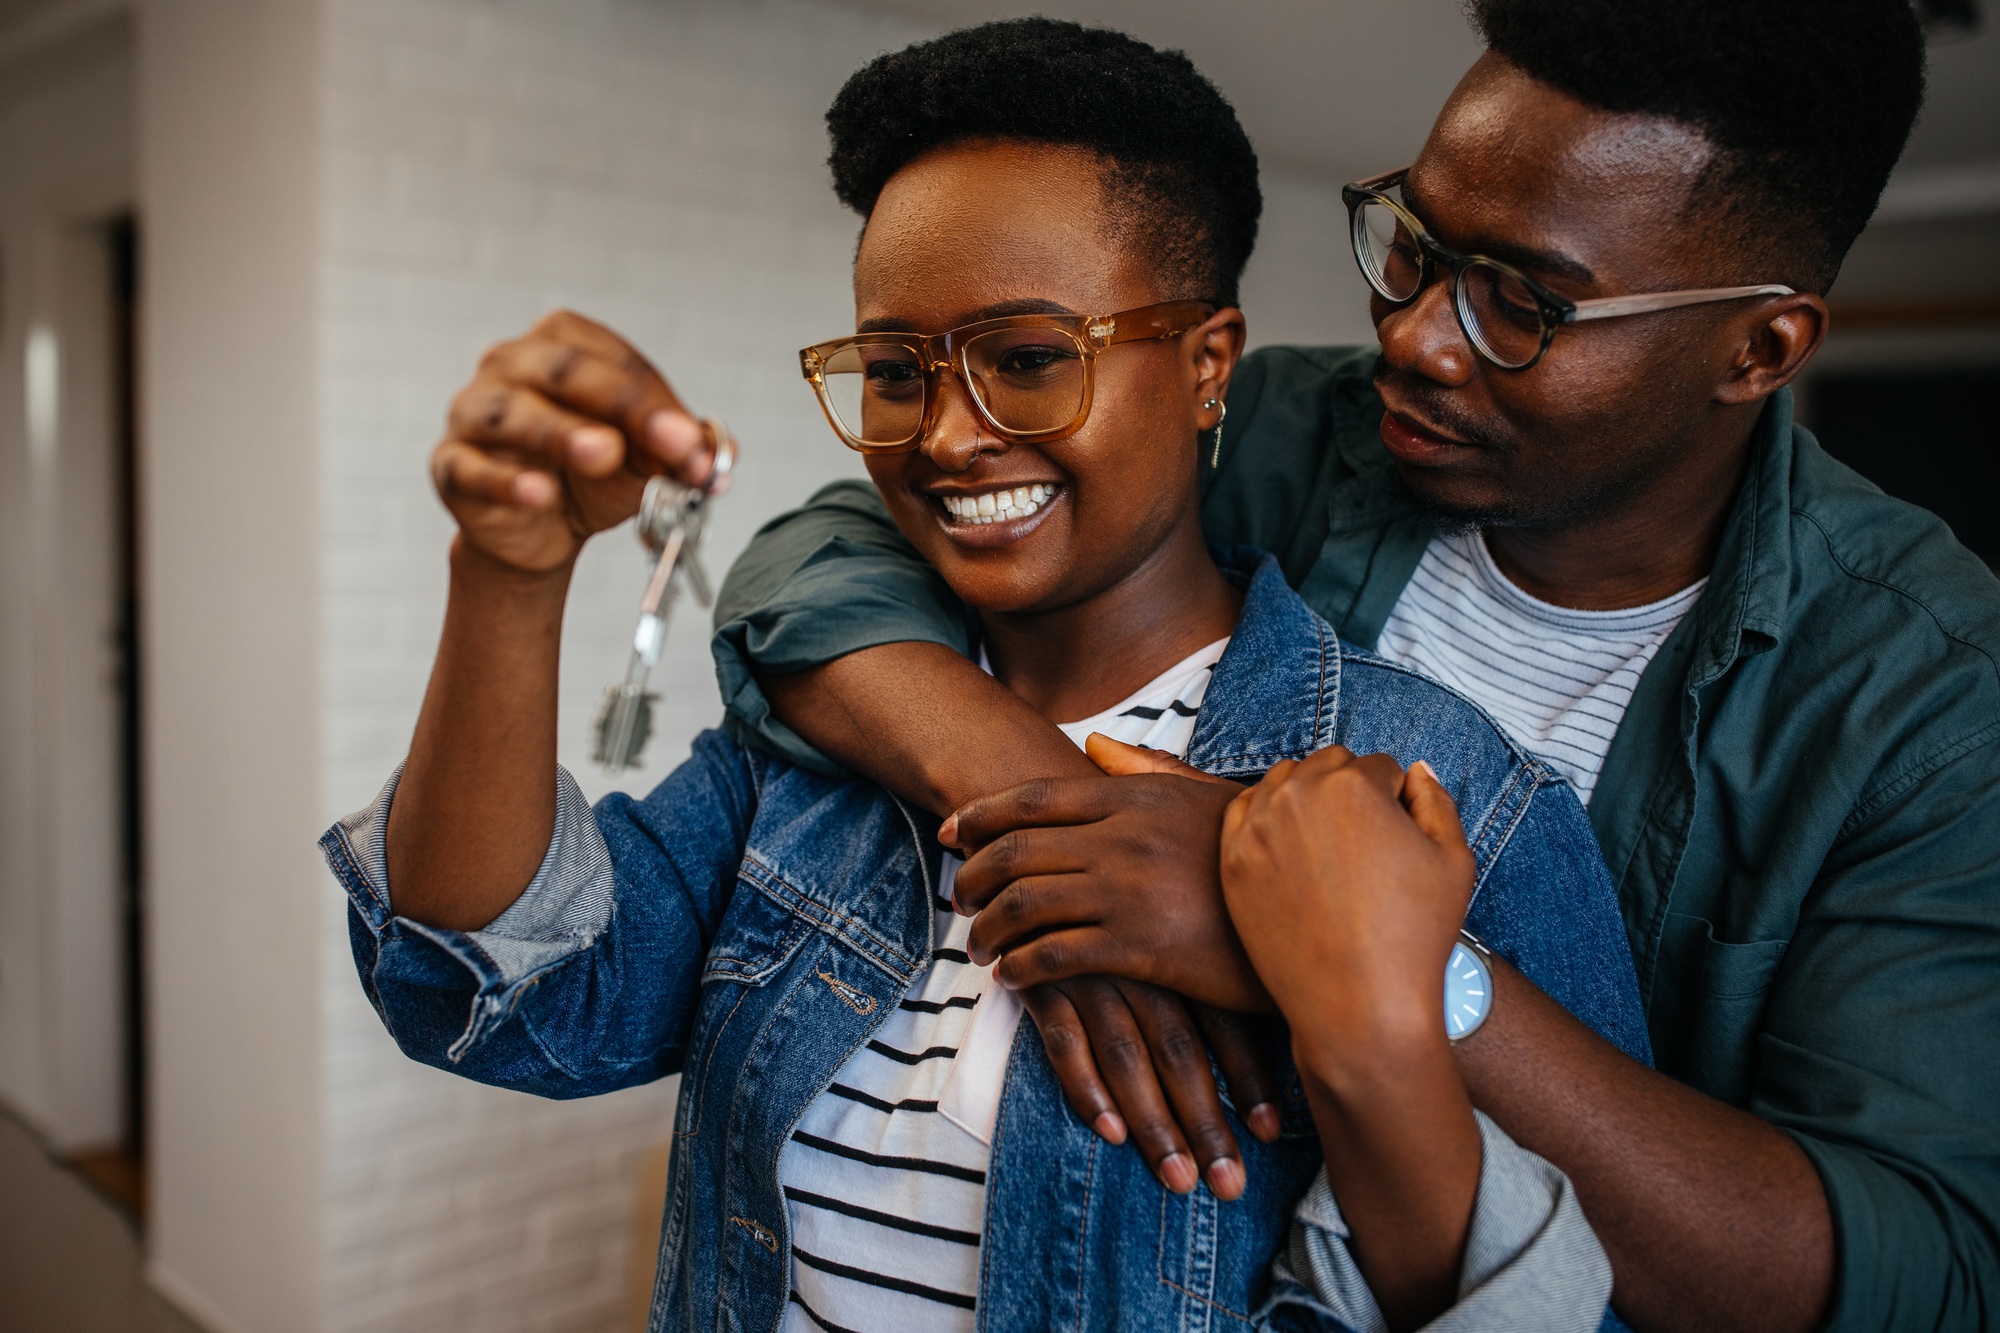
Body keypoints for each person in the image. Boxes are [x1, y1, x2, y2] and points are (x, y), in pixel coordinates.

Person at [321, 21, 1654, 1333]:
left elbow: (1571, 1296)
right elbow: (505, 993)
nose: (950, 436)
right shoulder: (810, 755)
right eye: (896, 371)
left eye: (1026, 359)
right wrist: (509, 576)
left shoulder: (1452, 797)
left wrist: (1370, 1016)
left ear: (1206, 366)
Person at [704, 2, 2000, 1332]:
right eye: (1415, 245)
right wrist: (1058, 815)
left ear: (1760, 348)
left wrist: (1375, 969)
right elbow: (815, 560)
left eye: (1522, 304)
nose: (1416, 337)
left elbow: (1914, 1277)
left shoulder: (1930, 698)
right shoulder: (1275, 437)